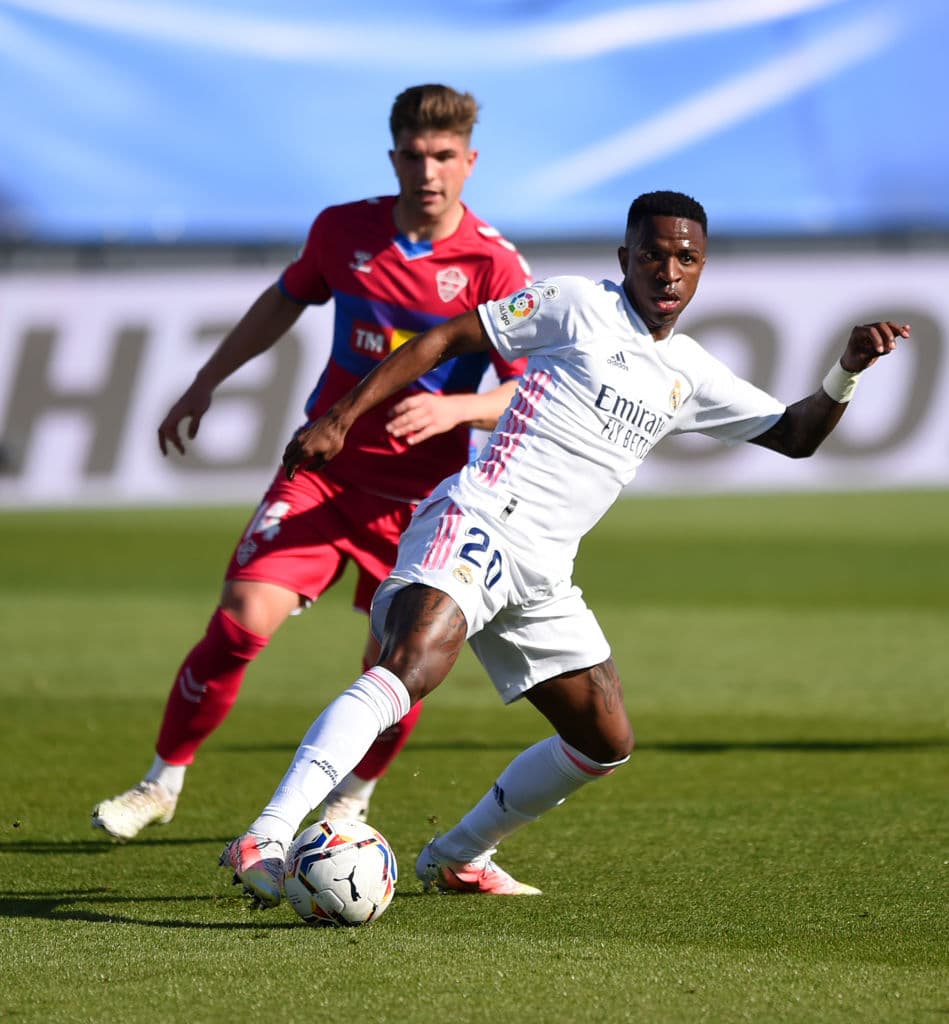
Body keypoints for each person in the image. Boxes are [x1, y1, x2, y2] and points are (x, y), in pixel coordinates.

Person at [219, 189, 909, 906]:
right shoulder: (577, 304)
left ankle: (457, 856)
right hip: (482, 515)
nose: (667, 271)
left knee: (603, 741)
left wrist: (847, 370)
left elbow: (794, 435)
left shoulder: (692, 373)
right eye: (652, 254)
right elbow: (444, 340)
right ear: (625, 258)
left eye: (685, 258)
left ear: (701, 268)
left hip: (544, 568)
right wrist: (339, 416)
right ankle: (266, 834)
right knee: (412, 666)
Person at [91, 84, 532, 842]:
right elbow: (283, 299)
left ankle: (348, 806)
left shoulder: (493, 266)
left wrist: (456, 409)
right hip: (325, 471)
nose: (428, 172)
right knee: (238, 623)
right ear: (393, 156)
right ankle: (161, 782)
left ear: (470, 160)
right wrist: (204, 381)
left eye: (444, 157)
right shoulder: (341, 232)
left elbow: (525, 391)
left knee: (394, 668)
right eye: (414, 156)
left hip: (424, 503)